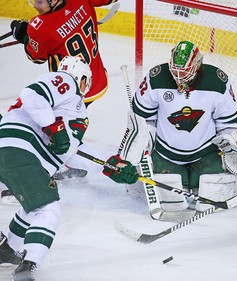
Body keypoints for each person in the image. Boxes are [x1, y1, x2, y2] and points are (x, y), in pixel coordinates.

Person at [0, 56, 138, 280]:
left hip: (14, 154)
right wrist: (53, 126)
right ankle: (29, 266)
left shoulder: (74, 110)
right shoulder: (65, 81)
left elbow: (72, 151)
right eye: (86, 82)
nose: (86, 88)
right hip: (19, 151)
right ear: (81, 77)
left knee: (33, 205)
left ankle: (6, 249)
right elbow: (32, 94)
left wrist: (110, 165)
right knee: (48, 209)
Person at [131, 40, 237, 216]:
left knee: (211, 192)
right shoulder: (156, 78)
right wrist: (143, 144)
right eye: (175, 71)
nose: (178, 76)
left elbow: (229, 123)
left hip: (204, 152)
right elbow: (143, 120)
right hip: (165, 152)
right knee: (166, 188)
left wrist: (232, 142)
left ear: (197, 66)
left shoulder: (216, 81)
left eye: (183, 72)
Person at [9, 0, 118, 182]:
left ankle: (63, 164)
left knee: (50, 125)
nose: (34, 5)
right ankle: (68, 159)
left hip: (69, 91)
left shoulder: (40, 26)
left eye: (39, 1)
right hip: (96, 78)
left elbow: (36, 57)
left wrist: (23, 35)